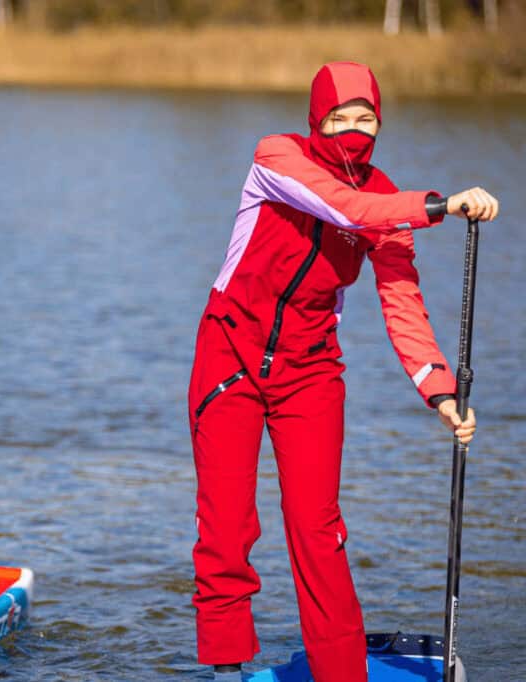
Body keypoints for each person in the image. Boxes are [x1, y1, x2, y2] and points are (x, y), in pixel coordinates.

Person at [187, 61, 498, 682]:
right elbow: (346, 208)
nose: (354, 130)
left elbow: (402, 303)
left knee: (319, 532)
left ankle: (340, 673)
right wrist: (441, 204)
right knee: (226, 527)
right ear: (316, 120)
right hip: (230, 357)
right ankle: (225, 671)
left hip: (311, 371)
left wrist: (440, 391)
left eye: (367, 119)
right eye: (339, 118)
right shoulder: (276, 158)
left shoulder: (388, 200)